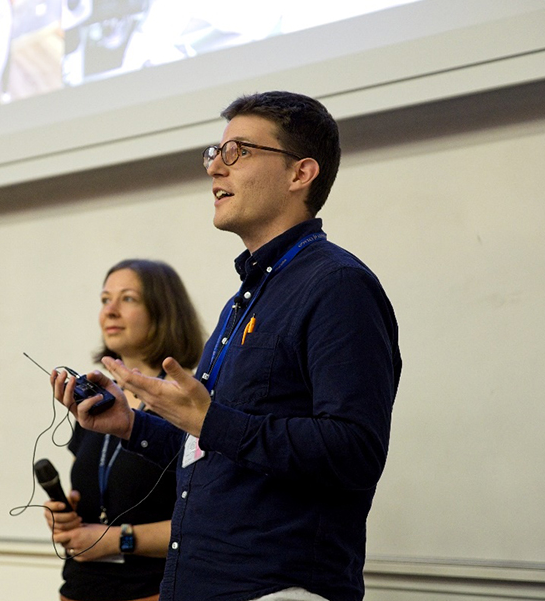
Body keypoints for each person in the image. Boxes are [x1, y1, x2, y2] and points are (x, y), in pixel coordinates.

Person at [51, 91, 402, 601]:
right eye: (214, 154)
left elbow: (354, 451)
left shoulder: (337, 286)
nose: (216, 168)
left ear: (300, 173)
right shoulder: (246, 298)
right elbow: (211, 447)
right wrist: (131, 425)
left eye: (237, 152)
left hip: (277, 589)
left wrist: (210, 420)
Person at [44, 259, 204, 601]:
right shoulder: (94, 399)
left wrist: (114, 539)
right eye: (105, 300)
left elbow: (205, 522)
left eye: (128, 299)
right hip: (79, 589)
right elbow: (97, 505)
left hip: (151, 592)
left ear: (164, 312)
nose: (110, 311)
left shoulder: (190, 400)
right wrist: (65, 517)